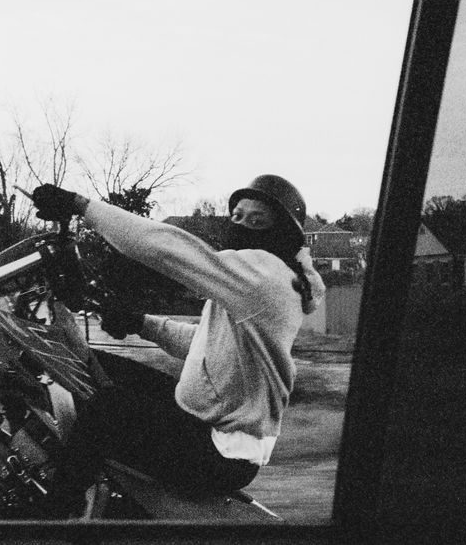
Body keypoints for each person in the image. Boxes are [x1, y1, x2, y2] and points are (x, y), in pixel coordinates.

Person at [29, 175, 325, 516]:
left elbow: (167, 247)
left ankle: (50, 519)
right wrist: (141, 323)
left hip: (221, 452)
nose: (242, 226)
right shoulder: (258, 281)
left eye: (257, 221)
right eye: (237, 217)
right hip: (203, 420)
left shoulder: (266, 279)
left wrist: (81, 206)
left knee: (104, 410)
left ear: (283, 235)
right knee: (88, 364)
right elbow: (204, 344)